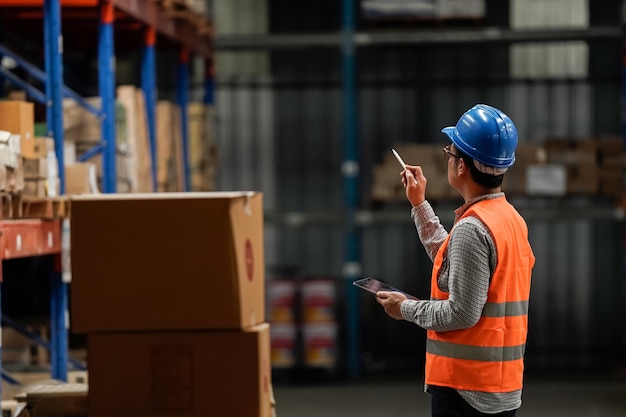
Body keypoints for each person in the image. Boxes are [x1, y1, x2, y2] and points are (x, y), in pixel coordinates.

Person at [376, 104, 535, 417]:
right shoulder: (509, 220)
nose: (447, 156)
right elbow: (455, 264)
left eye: (449, 151)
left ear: (462, 166)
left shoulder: (474, 228)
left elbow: (461, 313)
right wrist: (419, 203)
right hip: (499, 387)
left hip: (466, 392)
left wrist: (403, 308)